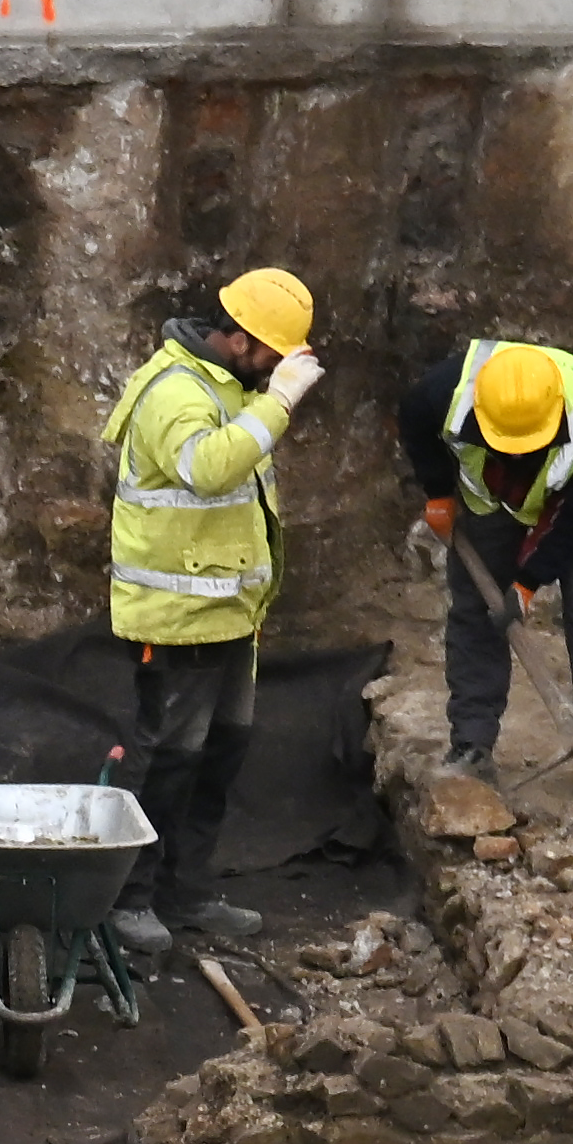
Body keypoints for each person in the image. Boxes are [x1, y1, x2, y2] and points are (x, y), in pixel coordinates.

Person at [94, 267, 324, 953]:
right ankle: (127, 899)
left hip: (230, 615)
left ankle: (185, 892)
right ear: (244, 340)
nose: (281, 370)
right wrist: (278, 403)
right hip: (176, 620)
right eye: (276, 357)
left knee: (218, 756)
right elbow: (207, 469)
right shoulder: (175, 392)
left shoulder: (227, 386)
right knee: (166, 759)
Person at [395, 333, 573, 813]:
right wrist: (438, 492)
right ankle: (472, 744)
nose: (513, 451)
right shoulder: (444, 391)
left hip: (569, 507)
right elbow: (413, 419)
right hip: (490, 503)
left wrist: (529, 582)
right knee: (474, 614)